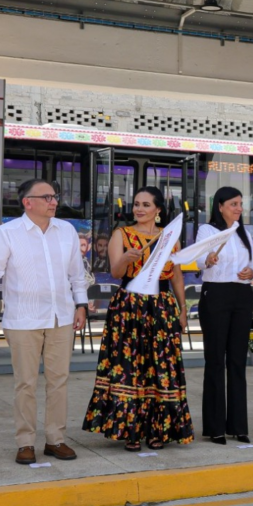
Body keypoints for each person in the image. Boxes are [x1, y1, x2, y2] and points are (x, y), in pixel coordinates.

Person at [0, 179, 88, 465]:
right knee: (26, 384)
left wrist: (80, 304)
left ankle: (55, 439)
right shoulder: (8, 232)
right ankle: (25, 443)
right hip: (23, 319)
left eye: (55, 196)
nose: (54, 201)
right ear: (27, 202)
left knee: (59, 382)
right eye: (46, 197)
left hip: (61, 316)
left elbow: (76, 275)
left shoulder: (67, 230)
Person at [82, 186, 194, 451]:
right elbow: (115, 271)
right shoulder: (122, 234)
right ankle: (130, 430)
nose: (139, 209)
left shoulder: (169, 238)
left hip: (162, 306)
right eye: (136, 204)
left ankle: (159, 430)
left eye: (145, 204)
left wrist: (182, 308)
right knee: (130, 366)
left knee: (160, 368)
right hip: (129, 307)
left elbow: (176, 275)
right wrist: (126, 258)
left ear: (157, 210)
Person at [195, 187, 253, 445]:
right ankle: (215, 426)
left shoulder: (244, 233)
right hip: (216, 296)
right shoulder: (208, 231)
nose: (239, 208)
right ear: (219, 206)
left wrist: (251, 273)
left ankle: (238, 426)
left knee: (238, 361)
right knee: (216, 361)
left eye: (241, 204)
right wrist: (207, 259)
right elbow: (199, 260)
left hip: (242, 296)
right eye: (233, 204)